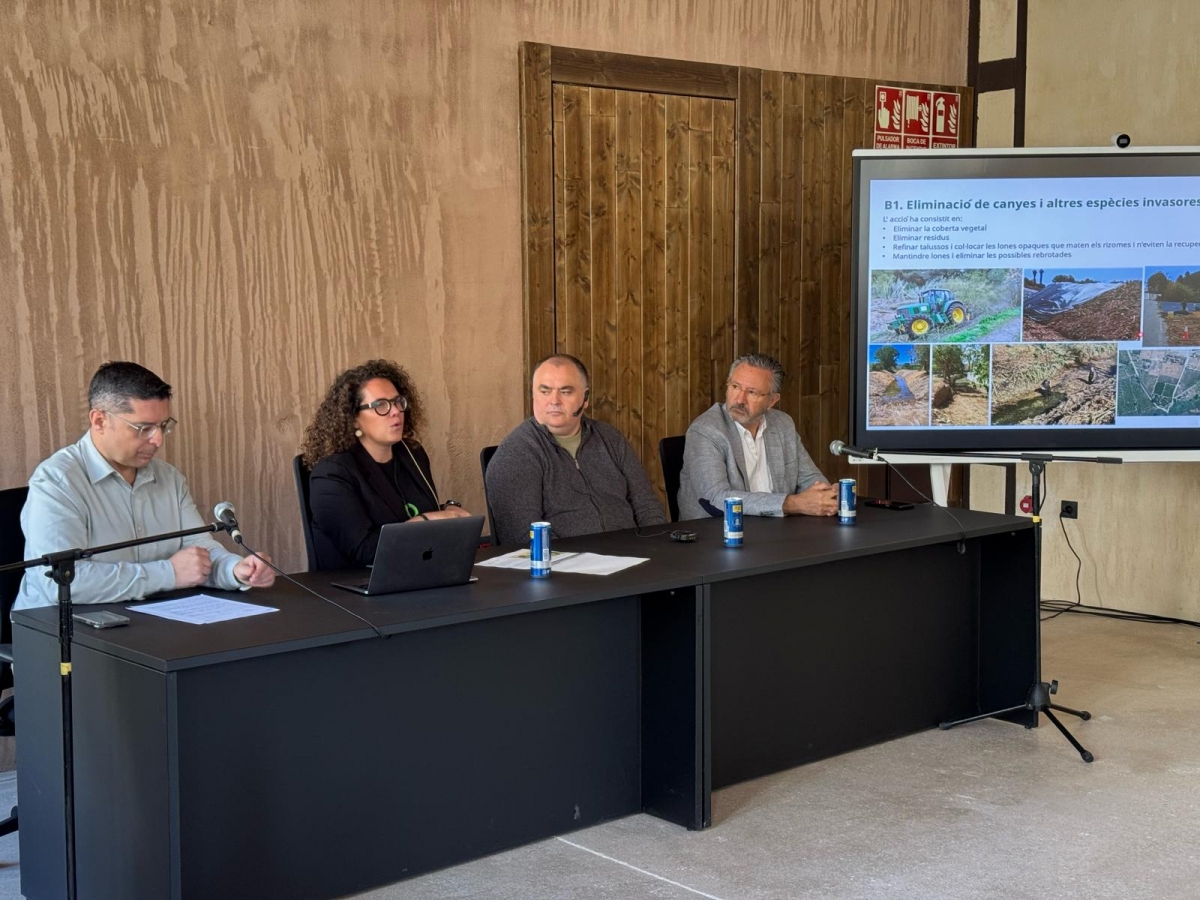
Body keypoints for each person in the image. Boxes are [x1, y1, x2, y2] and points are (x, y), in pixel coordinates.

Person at [15, 362, 275, 611]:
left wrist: (235, 570)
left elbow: (198, 552)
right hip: (62, 634)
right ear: (99, 421)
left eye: (163, 426)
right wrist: (169, 574)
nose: (158, 440)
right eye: (143, 428)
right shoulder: (57, 482)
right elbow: (62, 581)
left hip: (144, 623)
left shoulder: (168, 478)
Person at [300, 359, 472, 569]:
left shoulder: (412, 454)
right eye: (381, 405)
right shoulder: (331, 475)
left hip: (416, 575)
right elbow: (364, 551)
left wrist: (448, 511)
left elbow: (423, 518)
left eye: (398, 402)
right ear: (353, 418)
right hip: (355, 590)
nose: (395, 412)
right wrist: (428, 520)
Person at [485, 354, 666, 546]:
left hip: (636, 558)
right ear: (533, 395)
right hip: (569, 568)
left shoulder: (610, 438)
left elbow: (647, 506)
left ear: (585, 398)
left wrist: (657, 548)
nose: (554, 401)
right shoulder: (515, 454)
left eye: (565, 391)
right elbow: (524, 537)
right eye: (545, 391)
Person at [677, 353, 837, 520]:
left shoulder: (783, 424)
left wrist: (826, 495)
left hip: (778, 531)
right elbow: (717, 499)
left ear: (772, 401)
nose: (739, 399)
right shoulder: (706, 430)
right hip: (717, 535)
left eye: (752, 392)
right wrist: (792, 504)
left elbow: (809, 478)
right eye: (735, 387)